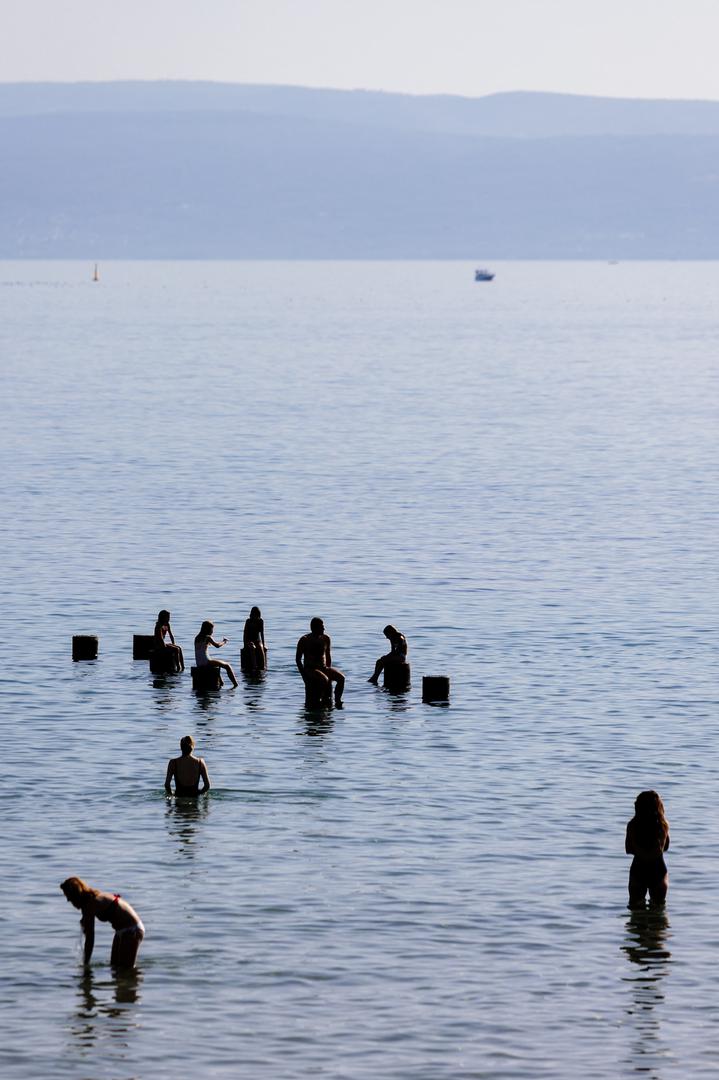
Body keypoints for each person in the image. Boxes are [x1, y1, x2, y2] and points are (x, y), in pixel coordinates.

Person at [60, 876, 145, 969]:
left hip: (132, 930)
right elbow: (88, 930)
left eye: (68, 896)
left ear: (75, 895)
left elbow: (90, 939)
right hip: (122, 930)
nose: (68, 900)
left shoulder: (90, 904)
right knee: (115, 968)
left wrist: (85, 965)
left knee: (126, 969)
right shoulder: (91, 900)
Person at [625, 790, 670, 907]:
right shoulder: (663, 825)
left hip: (638, 869)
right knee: (658, 915)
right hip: (658, 870)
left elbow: (628, 849)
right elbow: (665, 848)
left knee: (635, 913)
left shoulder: (632, 825)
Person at [296, 617, 345, 705]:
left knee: (341, 678)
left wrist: (329, 669)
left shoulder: (326, 638)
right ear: (314, 628)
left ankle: (337, 700)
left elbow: (328, 656)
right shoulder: (305, 640)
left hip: (323, 668)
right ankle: (321, 701)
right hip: (311, 669)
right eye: (321, 627)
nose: (324, 629)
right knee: (324, 680)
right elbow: (298, 659)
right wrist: (304, 676)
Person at [194, 620, 238, 687]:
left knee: (216, 665)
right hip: (206, 661)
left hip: (199, 663)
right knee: (227, 666)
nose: (212, 631)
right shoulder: (207, 637)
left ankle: (221, 682)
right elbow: (217, 645)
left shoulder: (197, 637)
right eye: (212, 629)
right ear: (208, 629)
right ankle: (235, 684)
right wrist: (224, 641)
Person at [243, 606, 267, 671]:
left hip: (257, 640)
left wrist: (264, 645)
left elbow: (262, 634)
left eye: (257, 615)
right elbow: (245, 634)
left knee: (261, 648)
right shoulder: (248, 621)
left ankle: (263, 666)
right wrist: (245, 645)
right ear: (251, 614)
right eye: (254, 615)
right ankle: (254, 667)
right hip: (249, 640)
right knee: (252, 648)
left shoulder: (260, 621)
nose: (255, 617)